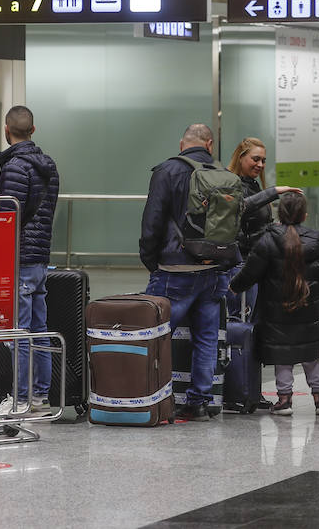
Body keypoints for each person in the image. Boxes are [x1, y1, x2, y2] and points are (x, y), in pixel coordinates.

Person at [139, 123, 233, 422]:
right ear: (210, 145)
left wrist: (151, 259)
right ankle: (199, 400)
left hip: (174, 267)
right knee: (206, 337)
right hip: (213, 267)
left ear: (183, 144)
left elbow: (152, 220)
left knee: (155, 334)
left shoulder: (167, 171)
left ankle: (149, 397)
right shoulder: (224, 175)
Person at [228, 191, 319, 417]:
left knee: (282, 356)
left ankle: (284, 400)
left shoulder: (267, 240)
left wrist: (234, 286)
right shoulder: (316, 243)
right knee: (311, 354)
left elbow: (251, 271)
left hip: (277, 311)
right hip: (308, 307)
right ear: (305, 215)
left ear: (278, 214)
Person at [0, 105, 61, 416]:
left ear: (7, 130)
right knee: (39, 328)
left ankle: (17, 399)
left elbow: (8, 218)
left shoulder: (14, 168)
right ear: (33, 130)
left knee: (18, 332)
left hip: (19, 257)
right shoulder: (49, 165)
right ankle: (40, 397)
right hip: (40, 256)